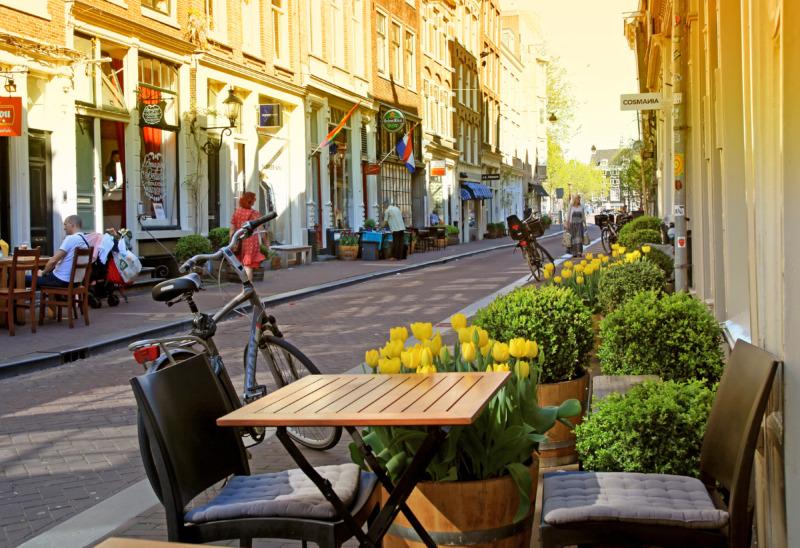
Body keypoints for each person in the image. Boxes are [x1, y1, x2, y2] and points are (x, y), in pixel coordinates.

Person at [32, 215, 91, 288]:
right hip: (76, 283)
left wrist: (42, 272)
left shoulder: (71, 239)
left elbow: (53, 261)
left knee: (24, 279)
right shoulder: (85, 241)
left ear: (72, 225)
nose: (64, 228)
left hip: (61, 280)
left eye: (65, 224)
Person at [230, 192, 267, 282]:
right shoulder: (255, 214)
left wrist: (231, 242)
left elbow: (232, 229)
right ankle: (248, 288)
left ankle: (246, 287)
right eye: (254, 200)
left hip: (239, 240)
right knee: (248, 266)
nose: (254, 202)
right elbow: (261, 230)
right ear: (251, 201)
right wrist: (266, 242)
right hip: (251, 241)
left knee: (242, 264)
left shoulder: (237, 212)